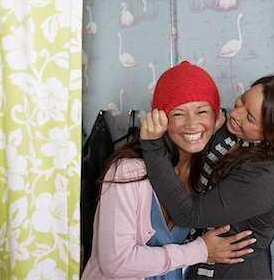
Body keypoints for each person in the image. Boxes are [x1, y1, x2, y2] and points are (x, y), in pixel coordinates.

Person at [81, 61, 255, 280]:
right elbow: (117, 263)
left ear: (216, 116)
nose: (192, 124)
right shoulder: (128, 171)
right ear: (160, 119)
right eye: (179, 114)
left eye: (202, 111)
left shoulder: (209, 172)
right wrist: (200, 250)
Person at [140, 74, 274, 280]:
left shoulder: (264, 177)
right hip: (200, 266)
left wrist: (152, 145)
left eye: (250, 118)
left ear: (272, 133)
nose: (236, 114)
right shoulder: (230, 137)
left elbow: (188, 214)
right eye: (242, 100)